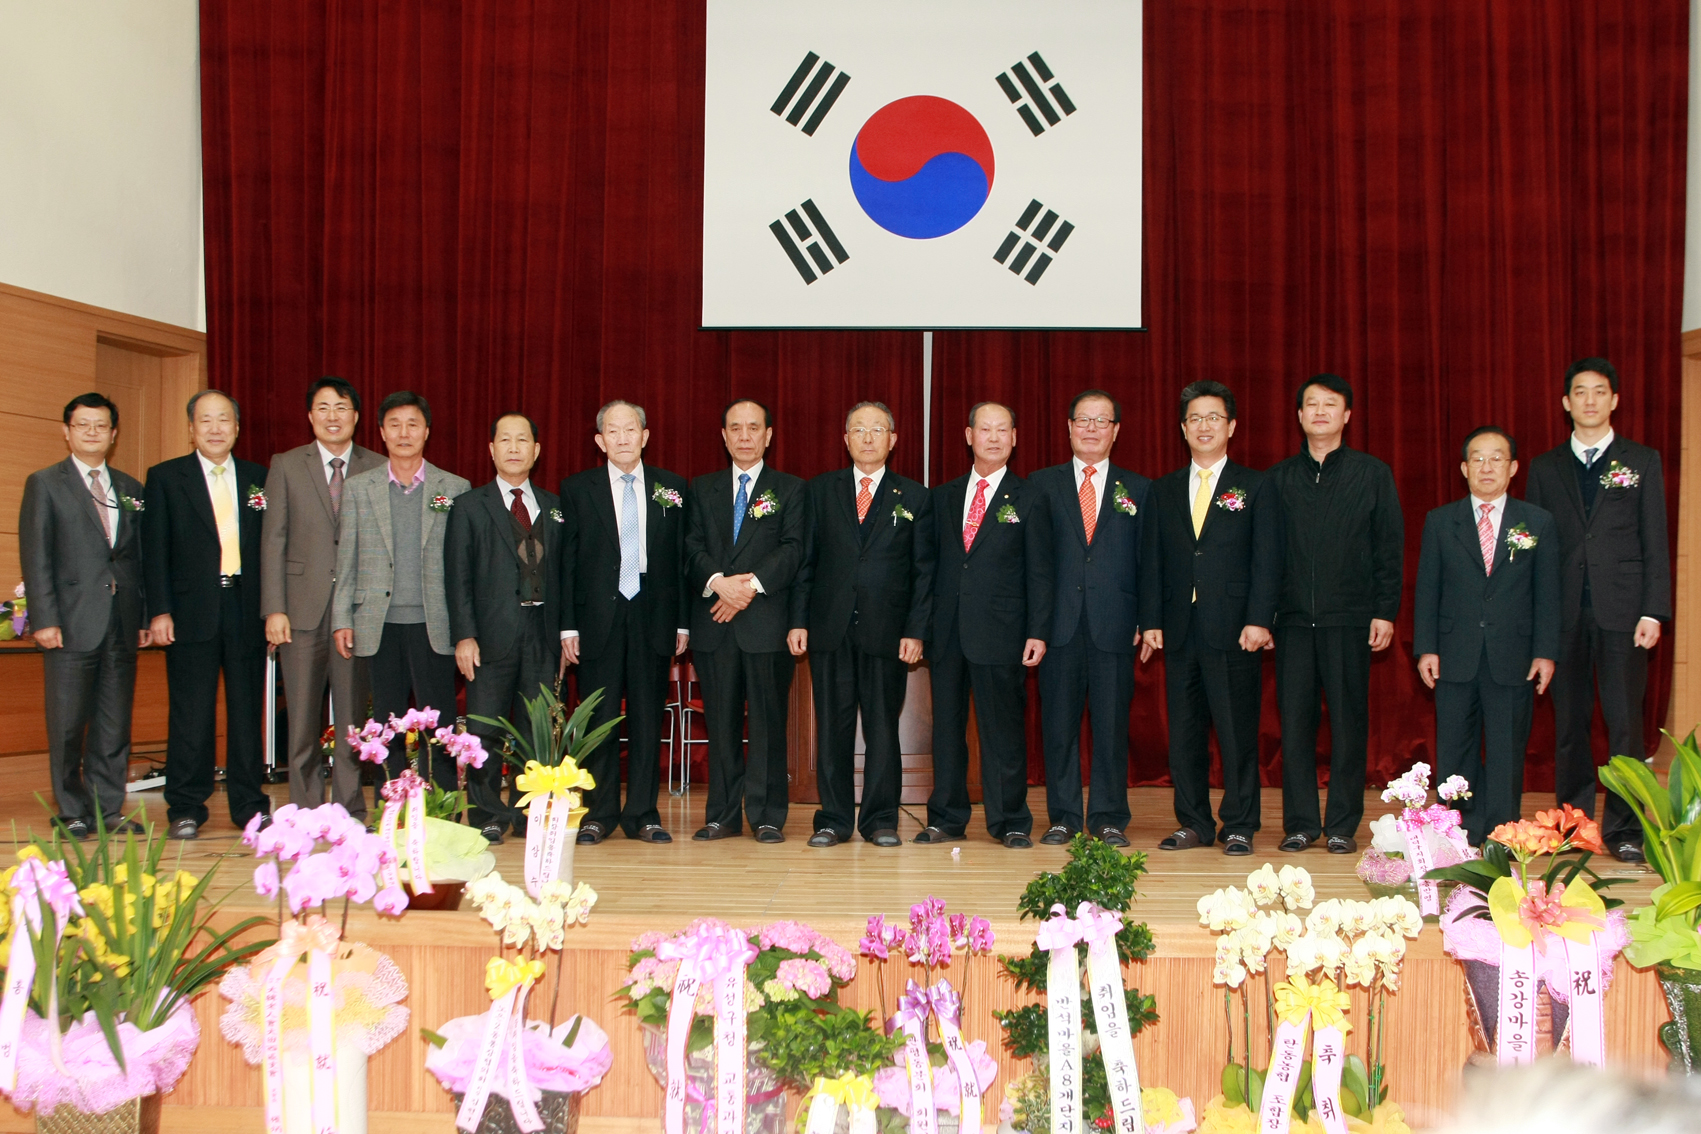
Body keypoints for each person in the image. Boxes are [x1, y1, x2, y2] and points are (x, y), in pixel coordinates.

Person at [1525, 358, 1671, 863]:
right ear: (1566, 403)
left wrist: (1653, 611)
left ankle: (1626, 830)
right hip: (1564, 613)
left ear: (1614, 400)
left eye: (1599, 391)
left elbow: (1655, 540)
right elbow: (1535, 547)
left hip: (1624, 615)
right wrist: (1536, 620)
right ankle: (1573, 825)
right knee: (1570, 726)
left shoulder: (1641, 460)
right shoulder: (1544, 468)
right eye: (1580, 392)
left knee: (1624, 725)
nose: (1590, 400)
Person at [1141, 381, 1282, 857]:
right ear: (1183, 428)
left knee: (1236, 731)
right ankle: (1194, 822)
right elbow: (1152, 560)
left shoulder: (1255, 485)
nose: (1204, 426)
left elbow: (1268, 557)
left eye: (1214, 418)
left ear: (1231, 426)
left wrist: (1260, 618)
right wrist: (1151, 619)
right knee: (1184, 734)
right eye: (1195, 418)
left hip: (1235, 628)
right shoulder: (1162, 489)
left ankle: (1240, 823)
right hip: (1180, 628)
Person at [788, 401, 934, 848]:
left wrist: (916, 630)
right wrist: (798, 620)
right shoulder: (820, 491)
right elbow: (806, 563)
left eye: (877, 429)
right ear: (845, 439)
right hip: (830, 628)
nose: (868, 438)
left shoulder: (915, 496)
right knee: (831, 728)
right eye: (858, 429)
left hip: (887, 633)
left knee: (882, 728)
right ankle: (833, 819)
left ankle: (880, 820)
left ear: (893, 439)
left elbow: (923, 572)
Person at [1268, 374, 1404, 854]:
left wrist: (1384, 611)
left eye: (1331, 404)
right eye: (1312, 404)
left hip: (1350, 620)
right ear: (1299, 415)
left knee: (1349, 725)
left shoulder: (1372, 474)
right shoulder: (1279, 478)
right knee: (1295, 726)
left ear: (1346, 415)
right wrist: (1264, 616)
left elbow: (1389, 549)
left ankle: (1343, 824)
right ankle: (1301, 823)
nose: (1320, 412)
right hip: (1291, 623)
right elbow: (1266, 554)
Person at [1414, 427, 1559, 844]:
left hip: (1513, 654)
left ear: (1513, 468)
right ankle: (1456, 833)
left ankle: (1500, 833)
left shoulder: (1537, 522)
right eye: (1477, 458)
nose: (1487, 467)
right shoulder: (1441, 521)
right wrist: (1426, 647)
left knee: (1505, 750)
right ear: (1464, 468)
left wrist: (1545, 652)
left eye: (1497, 458)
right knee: (1454, 748)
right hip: (1454, 651)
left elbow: (1548, 593)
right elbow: (1427, 589)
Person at [923, 402, 1053, 849]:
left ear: (1014, 438)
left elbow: (1041, 571)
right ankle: (946, 818)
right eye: (985, 429)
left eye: (1003, 430)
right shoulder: (942, 496)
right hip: (947, 632)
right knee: (947, 731)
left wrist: (1038, 630)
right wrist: (921, 628)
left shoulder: (1030, 497)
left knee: (1003, 732)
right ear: (969, 435)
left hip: (1003, 632)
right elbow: (929, 568)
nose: (993, 438)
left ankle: (1010, 820)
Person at [559, 400, 689, 845]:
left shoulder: (672, 487)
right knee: (599, 719)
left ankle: (643, 814)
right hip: (598, 617)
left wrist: (683, 623)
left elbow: (680, 562)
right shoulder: (578, 489)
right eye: (612, 431)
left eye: (629, 429)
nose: (622, 438)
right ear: (600, 441)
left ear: (645, 435)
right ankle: (599, 814)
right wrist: (568, 626)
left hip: (653, 613)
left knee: (648, 718)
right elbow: (567, 562)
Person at [20, 393, 149, 838]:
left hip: (121, 620)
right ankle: (72, 809)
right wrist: (44, 619)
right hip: (70, 622)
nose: (92, 432)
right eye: (83, 425)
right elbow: (36, 555)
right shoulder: (45, 483)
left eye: (101, 426)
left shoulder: (130, 488)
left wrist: (143, 616)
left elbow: (137, 558)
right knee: (68, 723)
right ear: (67, 431)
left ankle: (107, 810)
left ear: (114, 434)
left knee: (114, 723)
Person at [143, 390, 270, 840]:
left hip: (246, 607)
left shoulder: (259, 478)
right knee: (190, 713)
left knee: (246, 712)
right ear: (191, 428)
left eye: (223, 420)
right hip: (190, 610)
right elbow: (154, 550)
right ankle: (185, 806)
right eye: (205, 420)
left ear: (236, 427)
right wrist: (159, 610)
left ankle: (249, 805)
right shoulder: (165, 477)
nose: (215, 428)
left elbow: (271, 547)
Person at [683, 399, 807, 843]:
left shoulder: (790, 489)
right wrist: (719, 583)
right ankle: (722, 814)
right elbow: (690, 546)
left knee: (768, 725)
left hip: (766, 626)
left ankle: (767, 815)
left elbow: (793, 549)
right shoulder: (702, 488)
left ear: (768, 436)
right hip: (715, 625)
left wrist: (748, 587)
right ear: (724, 435)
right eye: (735, 427)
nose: (744, 436)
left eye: (754, 427)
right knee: (721, 724)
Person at [332, 391, 471, 788]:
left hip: (435, 621)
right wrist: (342, 617)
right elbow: (347, 557)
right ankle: (389, 807)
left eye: (413, 424)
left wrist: (467, 626)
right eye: (395, 425)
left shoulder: (454, 487)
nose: (404, 433)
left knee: (439, 724)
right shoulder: (360, 488)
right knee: (385, 724)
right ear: (381, 432)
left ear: (427, 431)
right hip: (379, 622)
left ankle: (441, 806)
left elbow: (463, 565)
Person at [261, 377, 384, 820]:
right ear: (310, 416)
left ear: (356, 416)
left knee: (352, 719)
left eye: (342, 408)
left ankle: (350, 809)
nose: (333, 416)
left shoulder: (377, 466)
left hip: (356, 612)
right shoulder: (286, 465)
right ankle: (306, 811)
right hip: (300, 610)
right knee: (302, 721)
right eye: (324, 408)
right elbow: (273, 539)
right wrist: (274, 608)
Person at [1029, 390, 1148, 847]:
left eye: (1102, 421)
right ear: (1069, 427)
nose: (1092, 428)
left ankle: (1108, 817)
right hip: (1058, 627)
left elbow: (1148, 562)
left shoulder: (1139, 489)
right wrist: (1035, 626)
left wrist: (1146, 619)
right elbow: (1033, 563)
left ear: (1116, 430)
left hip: (1115, 624)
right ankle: (1062, 816)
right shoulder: (1041, 485)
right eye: (1084, 420)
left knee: (1112, 728)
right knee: (1058, 727)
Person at [446, 412, 563, 842]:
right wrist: (464, 635)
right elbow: (456, 576)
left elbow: (567, 575)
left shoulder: (555, 506)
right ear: (491, 449)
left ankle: (530, 810)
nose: (514, 448)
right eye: (505, 440)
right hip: (489, 634)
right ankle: (487, 815)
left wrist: (566, 634)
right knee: (485, 729)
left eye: (523, 440)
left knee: (537, 728)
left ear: (536, 450)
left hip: (543, 632)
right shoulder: (468, 506)